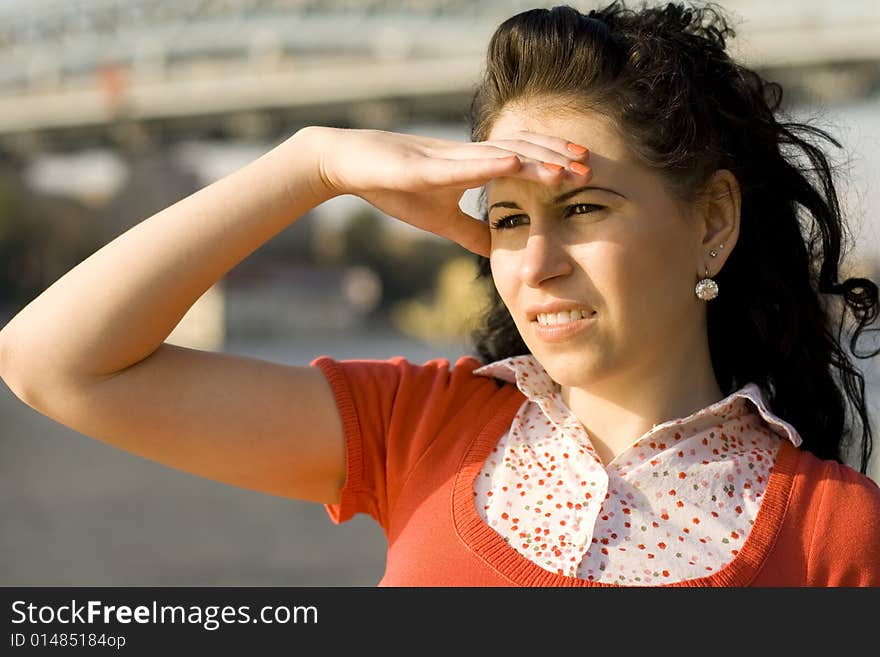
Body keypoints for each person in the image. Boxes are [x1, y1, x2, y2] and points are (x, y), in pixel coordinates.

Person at [1, 0, 879, 587]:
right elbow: (54, 364)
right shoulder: (422, 428)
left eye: (581, 207)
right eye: (506, 220)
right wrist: (311, 164)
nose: (536, 263)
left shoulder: (838, 535)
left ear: (712, 220)